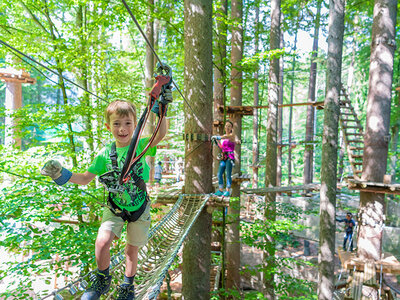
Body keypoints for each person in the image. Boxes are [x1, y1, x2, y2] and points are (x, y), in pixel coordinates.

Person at [41, 96, 171, 299]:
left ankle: (128, 285)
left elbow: (160, 134)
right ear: (108, 126)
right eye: (117, 124)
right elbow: (84, 178)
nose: (122, 128)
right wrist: (61, 174)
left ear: (135, 125)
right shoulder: (104, 155)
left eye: (128, 123)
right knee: (102, 242)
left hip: (139, 207)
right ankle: (103, 278)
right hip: (115, 207)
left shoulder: (141, 145)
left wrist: (162, 108)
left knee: (131, 250)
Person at [211, 120, 238, 197]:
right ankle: (220, 190)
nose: (227, 127)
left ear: (232, 128)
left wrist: (218, 137)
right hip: (224, 157)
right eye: (226, 126)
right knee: (219, 174)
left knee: (228, 174)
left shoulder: (232, 136)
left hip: (230, 157)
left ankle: (228, 191)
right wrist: (217, 142)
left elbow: (227, 137)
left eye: (229, 126)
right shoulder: (223, 137)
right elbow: (222, 147)